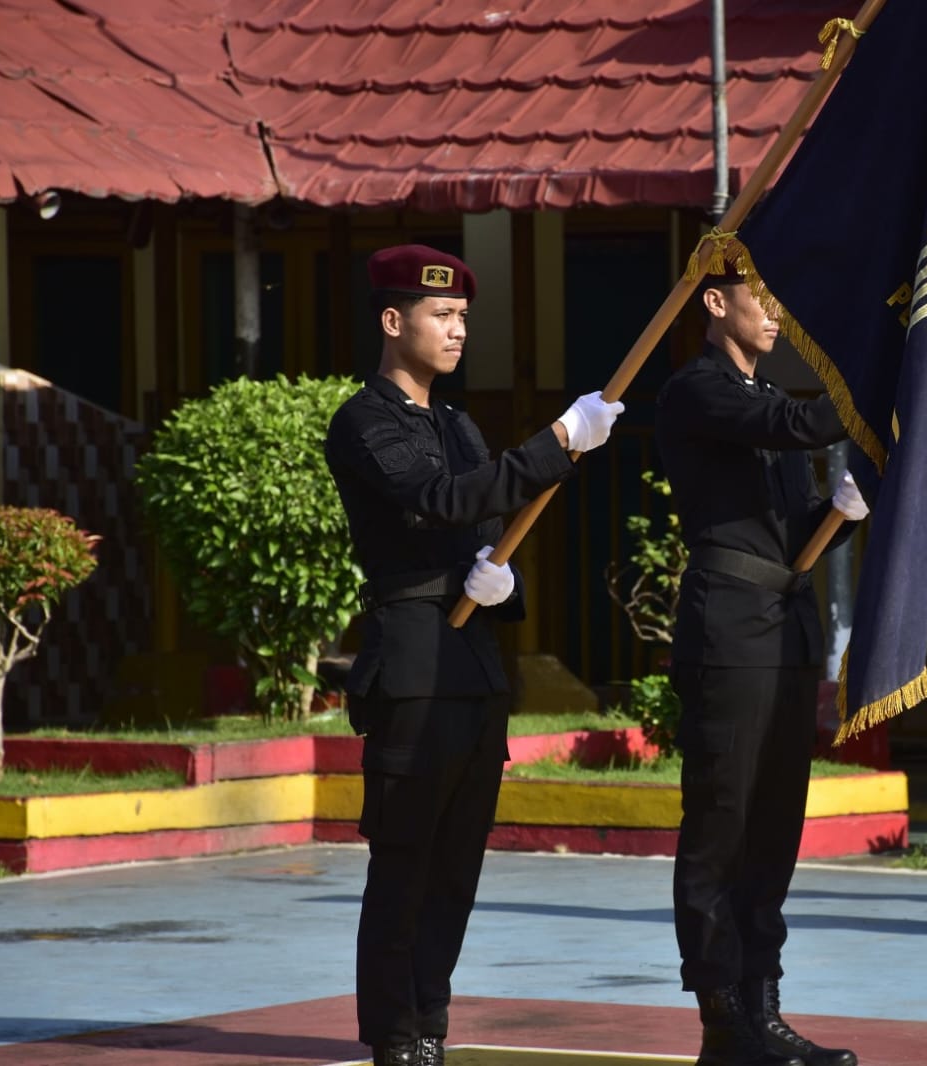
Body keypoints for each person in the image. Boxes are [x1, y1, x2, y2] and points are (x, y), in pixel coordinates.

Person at [324, 244, 625, 1066]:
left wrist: (504, 584)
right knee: (406, 865)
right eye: (441, 316)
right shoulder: (364, 420)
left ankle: (431, 1024)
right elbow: (440, 501)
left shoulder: (456, 424)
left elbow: (486, 530)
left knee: (455, 872)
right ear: (394, 321)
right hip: (414, 666)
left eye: (464, 318)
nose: (458, 332)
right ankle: (394, 1033)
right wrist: (558, 440)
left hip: (474, 668)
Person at [655, 267, 865, 1066]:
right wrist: (896, 381)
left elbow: (791, 532)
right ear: (717, 303)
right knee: (722, 823)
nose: (777, 314)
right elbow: (793, 423)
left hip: (783, 626)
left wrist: (837, 518)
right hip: (729, 631)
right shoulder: (699, 392)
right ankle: (721, 1015)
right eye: (763, 298)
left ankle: (763, 1004)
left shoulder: (763, 395)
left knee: (774, 826)